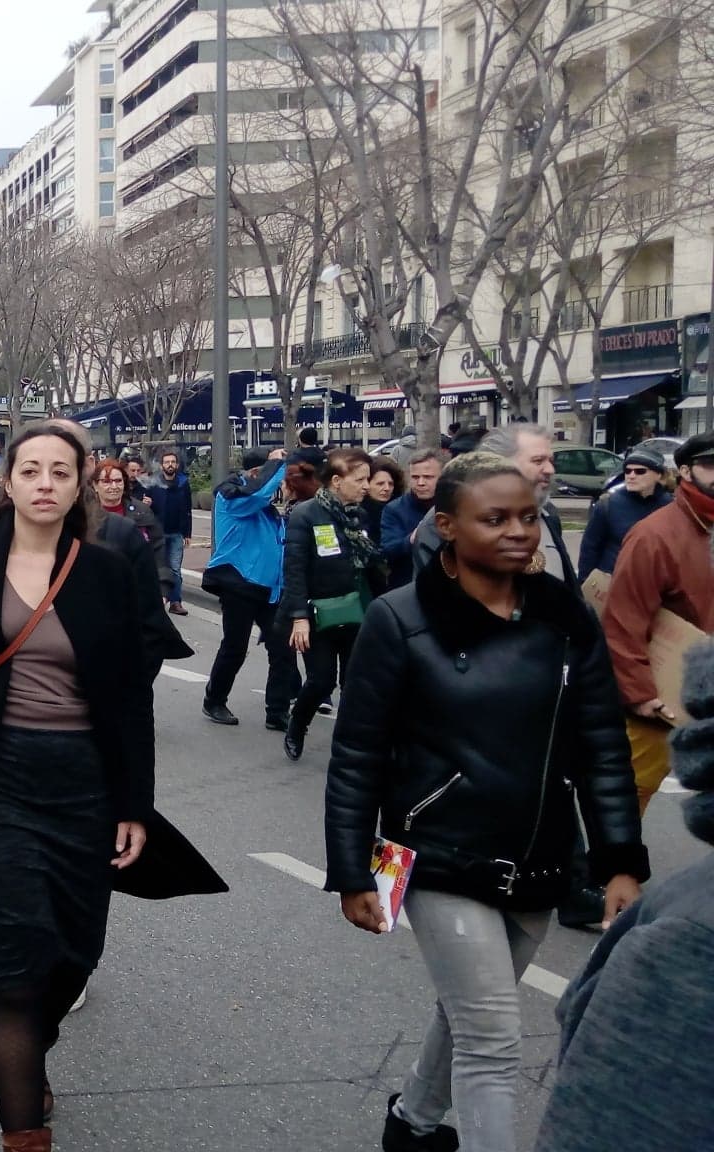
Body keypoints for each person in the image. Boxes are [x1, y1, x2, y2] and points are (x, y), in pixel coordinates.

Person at [324, 451, 647, 1152]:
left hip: (537, 859)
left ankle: (412, 1122)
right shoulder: (398, 619)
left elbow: (601, 745)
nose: (518, 532)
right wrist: (352, 871)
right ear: (446, 526)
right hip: (432, 855)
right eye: (494, 518)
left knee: (472, 1011)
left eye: (530, 517)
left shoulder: (566, 619)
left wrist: (619, 859)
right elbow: (356, 756)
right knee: (494, 1040)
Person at [0, 424, 155, 1152]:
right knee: (11, 972)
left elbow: (131, 699)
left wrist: (135, 803)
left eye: (60, 472)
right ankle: (24, 1130)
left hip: (85, 788)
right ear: (6, 482)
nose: (45, 483)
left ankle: (31, 1054)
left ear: (80, 487)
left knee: (72, 957)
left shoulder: (106, 572)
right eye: (30, 470)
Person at [534, 639, 714, 1152]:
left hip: (539, 862)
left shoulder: (560, 610)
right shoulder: (690, 944)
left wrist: (618, 867)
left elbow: (603, 756)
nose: (525, 551)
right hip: (452, 858)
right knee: (484, 1024)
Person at [601, 431, 714, 812]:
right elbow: (622, 621)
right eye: (710, 465)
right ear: (683, 471)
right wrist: (640, 695)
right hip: (662, 698)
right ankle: (615, 870)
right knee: (629, 796)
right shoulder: (654, 535)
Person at [280, 448, 383, 762]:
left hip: (358, 609)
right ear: (337, 481)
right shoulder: (307, 514)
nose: (367, 486)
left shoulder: (361, 515)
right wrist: (299, 617)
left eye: (368, 479)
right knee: (320, 679)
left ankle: (348, 742)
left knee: (354, 681)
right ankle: (298, 723)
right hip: (318, 613)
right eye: (360, 479)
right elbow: (294, 570)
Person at [199, 449, 299, 728]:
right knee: (235, 647)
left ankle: (277, 712)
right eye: (272, 477)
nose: (277, 486)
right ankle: (214, 700)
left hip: (270, 589)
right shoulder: (231, 495)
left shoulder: (267, 508)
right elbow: (257, 494)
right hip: (238, 584)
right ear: (256, 473)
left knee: (282, 649)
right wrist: (277, 463)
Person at [410, 424, 572, 583]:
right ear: (499, 462)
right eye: (538, 461)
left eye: (551, 460)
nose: (550, 469)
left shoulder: (548, 514)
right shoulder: (445, 521)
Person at [577, 443, 669, 585]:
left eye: (640, 471)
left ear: (658, 475)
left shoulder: (671, 506)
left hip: (656, 589)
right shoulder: (608, 504)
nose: (631, 476)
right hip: (613, 587)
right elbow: (589, 549)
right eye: (627, 471)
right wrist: (585, 586)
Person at [91, 461, 174, 598]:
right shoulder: (85, 516)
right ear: (95, 485)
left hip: (138, 591)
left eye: (118, 481)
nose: (114, 486)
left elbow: (158, 549)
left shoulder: (142, 511)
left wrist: (162, 588)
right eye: (106, 481)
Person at [380, 449, 445, 587]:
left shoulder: (453, 506)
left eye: (428, 477)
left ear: (442, 477)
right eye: (415, 477)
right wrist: (411, 539)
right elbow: (388, 550)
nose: (420, 483)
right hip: (407, 586)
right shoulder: (395, 509)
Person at [143, 450, 192, 616]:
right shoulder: (154, 483)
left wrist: (187, 533)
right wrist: (146, 504)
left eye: (173, 462)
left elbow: (187, 509)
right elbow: (145, 505)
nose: (170, 465)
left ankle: (175, 602)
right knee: (157, 567)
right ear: (162, 465)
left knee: (175, 569)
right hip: (157, 533)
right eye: (167, 462)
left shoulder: (183, 483)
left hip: (176, 533)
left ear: (177, 465)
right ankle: (156, 600)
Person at [364, 455, 404, 550]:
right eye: (380, 484)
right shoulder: (357, 513)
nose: (387, 488)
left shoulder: (401, 510)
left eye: (391, 484)